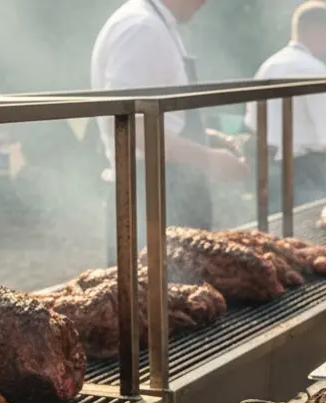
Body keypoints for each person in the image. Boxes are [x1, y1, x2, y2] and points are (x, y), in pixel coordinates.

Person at [91, 0, 249, 260]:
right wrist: (207, 158)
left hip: (169, 189)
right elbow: (125, 122)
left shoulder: (159, 25)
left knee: (191, 295)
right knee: (154, 296)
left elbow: (162, 120)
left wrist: (212, 140)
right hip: (150, 195)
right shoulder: (141, 27)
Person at [245, 1, 326, 209]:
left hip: (268, 170)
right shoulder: (314, 69)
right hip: (305, 170)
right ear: (316, 30)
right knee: (308, 231)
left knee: (273, 230)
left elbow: (252, 121)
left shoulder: (269, 65)